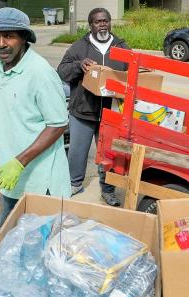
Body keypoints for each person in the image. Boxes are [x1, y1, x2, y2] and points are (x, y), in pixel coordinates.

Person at [0, 8, 71, 226]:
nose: (1, 43)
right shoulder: (2, 65)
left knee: (33, 245)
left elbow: (58, 125)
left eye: (9, 36)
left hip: (39, 182)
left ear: (24, 39)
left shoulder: (40, 73)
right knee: (7, 235)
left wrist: (18, 163)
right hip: (12, 179)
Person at [56, 7, 130, 207]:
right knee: (77, 152)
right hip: (82, 110)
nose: (102, 25)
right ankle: (74, 183)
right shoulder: (79, 47)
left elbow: (131, 73)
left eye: (105, 21)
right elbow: (62, 71)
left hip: (110, 112)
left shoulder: (121, 46)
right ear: (90, 25)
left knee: (109, 154)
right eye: (97, 22)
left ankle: (108, 190)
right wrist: (78, 65)